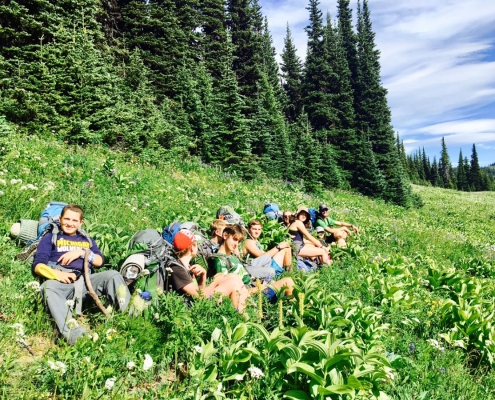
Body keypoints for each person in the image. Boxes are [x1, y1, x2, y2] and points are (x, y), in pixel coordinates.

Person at [33, 204, 130, 344]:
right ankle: (78, 337)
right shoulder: (51, 238)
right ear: (60, 219)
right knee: (48, 287)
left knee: (113, 275)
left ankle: (128, 320)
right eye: (66, 219)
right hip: (60, 285)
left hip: (85, 282)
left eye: (74, 220)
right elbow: (38, 266)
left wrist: (82, 253)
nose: (70, 223)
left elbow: (99, 261)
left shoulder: (86, 240)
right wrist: (57, 275)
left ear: (80, 222)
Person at [169, 229, 249, 312]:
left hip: (198, 302)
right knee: (232, 284)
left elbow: (199, 291)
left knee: (233, 276)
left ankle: (242, 314)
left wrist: (204, 274)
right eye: (196, 244)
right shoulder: (177, 269)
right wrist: (215, 281)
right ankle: (238, 316)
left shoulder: (186, 266)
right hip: (192, 309)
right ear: (192, 248)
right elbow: (199, 297)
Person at [209, 224, 294, 297]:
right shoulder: (219, 260)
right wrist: (256, 288)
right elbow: (225, 288)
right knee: (287, 282)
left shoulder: (232, 256)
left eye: (238, 241)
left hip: (254, 284)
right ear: (225, 236)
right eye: (234, 239)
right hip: (248, 294)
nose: (236, 244)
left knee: (286, 285)